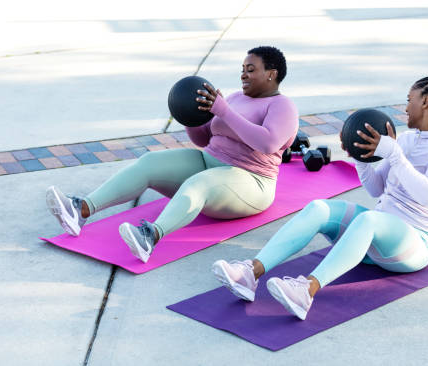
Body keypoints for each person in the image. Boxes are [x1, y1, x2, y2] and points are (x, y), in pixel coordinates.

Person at [212, 74, 428, 320]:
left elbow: (427, 193)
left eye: (409, 100)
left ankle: (306, 291)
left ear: (426, 101)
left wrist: (393, 153)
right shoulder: (406, 140)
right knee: (318, 207)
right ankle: (250, 273)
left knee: (370, 219)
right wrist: (361, 159)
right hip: (372, 237)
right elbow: (377, 190)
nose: (406, 107)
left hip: (412, 242)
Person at [46, 46, 298, 263]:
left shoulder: (282, 106)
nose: (243, 74)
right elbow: (204, 139)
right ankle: (81, 210)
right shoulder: (234, 97)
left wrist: (224, 111)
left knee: (198, 183)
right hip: (209, 162)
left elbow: (267, 143)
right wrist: (191, 116)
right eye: (242, 68)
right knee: (150, 163)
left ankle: (149, 237)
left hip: (250, 180)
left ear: (271, 74)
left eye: (251, 69)